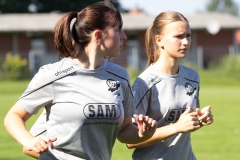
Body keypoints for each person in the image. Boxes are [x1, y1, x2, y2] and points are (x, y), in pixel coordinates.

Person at [4, 2, 157, 160]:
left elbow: (124, 130)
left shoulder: (120, 76)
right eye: (118, 30)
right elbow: (13, 116)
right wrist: (29, 141)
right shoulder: (53, 74)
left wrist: (142, 133)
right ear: (98, 36)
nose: (124, 36)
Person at [127, 11, 214, 160]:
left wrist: (200, 119)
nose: (186, 42)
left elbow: (184, 123)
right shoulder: (145, 83)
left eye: (188, 35)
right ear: (159, 40)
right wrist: (176, 127)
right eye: (178, 36)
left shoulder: (193, 77)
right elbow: (130, 141)